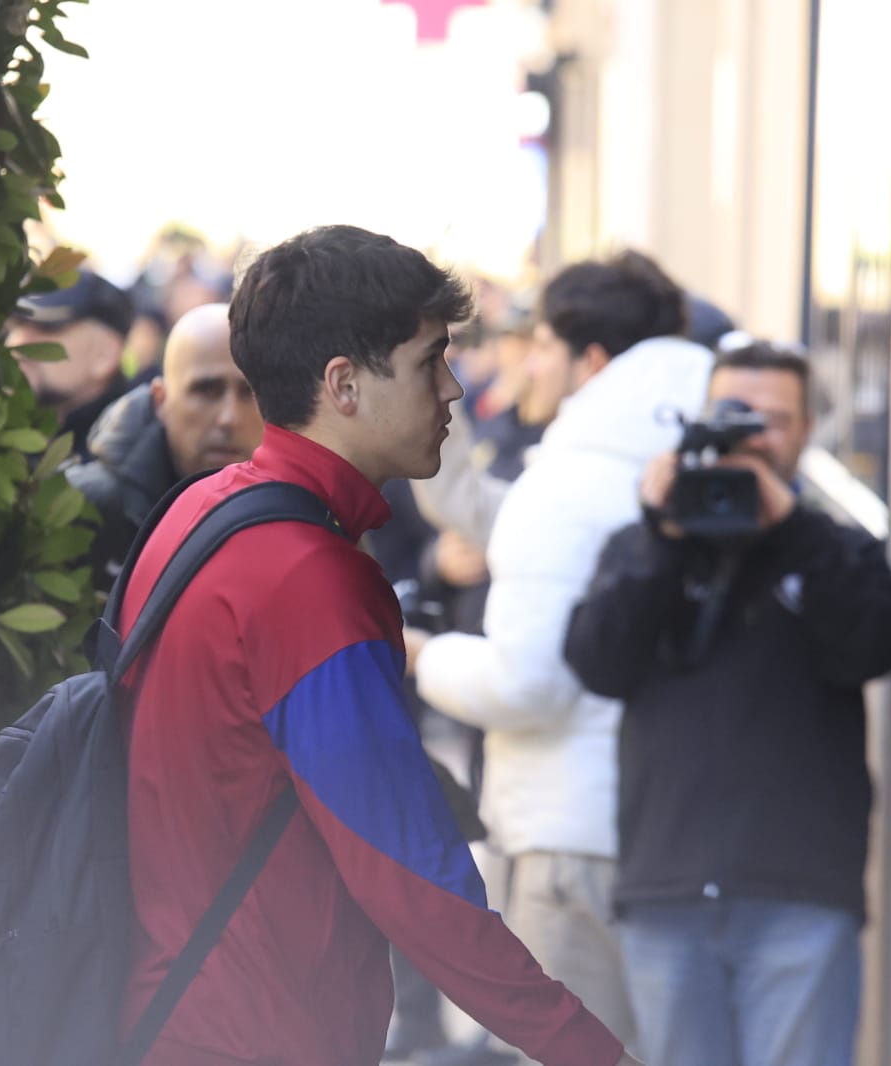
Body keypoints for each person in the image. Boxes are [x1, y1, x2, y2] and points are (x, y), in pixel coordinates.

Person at [116, 224, 637, 1066]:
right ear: (343, 384)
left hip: (173, 1007)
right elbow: (413, 875)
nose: (456, 388)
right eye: (432, 359)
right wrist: (594, 1054)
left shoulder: (201, 512)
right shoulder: (310, 577)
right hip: (263, 1032)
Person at [409, 252, 713, 1060]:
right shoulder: (676, 465)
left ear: (593, 361)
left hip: (570, 842)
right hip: (672, 840)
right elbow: (486, 513)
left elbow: (526, 683)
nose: (525, 361)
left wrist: (419, 655)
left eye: (540, 342)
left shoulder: (569, 482)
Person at [565, 340, 891, 1066]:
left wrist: (795, 530)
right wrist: (662, 536)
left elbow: (867, 650)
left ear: (809, 429)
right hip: (667, 890)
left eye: (770, 421)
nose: (749, 437)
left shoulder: (836, 549)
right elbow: (597, 664)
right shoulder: (644, 543)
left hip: (801, 894)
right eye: (732, 416)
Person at [67, 303, 263, 589]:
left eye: (250, 392)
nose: (229, 418)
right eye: (206, 390)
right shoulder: (83, 508)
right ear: (160, 400)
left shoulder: (306, 513)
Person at [4, 268, 136, 459]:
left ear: (104, 354)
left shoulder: (130, 457)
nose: (17, 342)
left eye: (47, 328)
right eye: (16, 325)